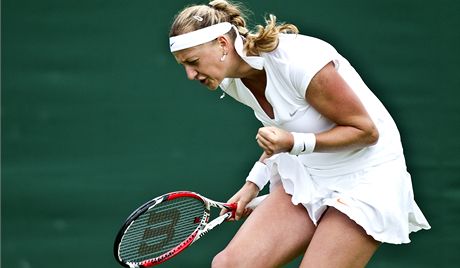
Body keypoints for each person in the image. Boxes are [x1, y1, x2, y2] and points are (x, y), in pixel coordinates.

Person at [169, 1, 431, 267]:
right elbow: (283, 136)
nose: (190, 74)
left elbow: (366, 131)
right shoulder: (233, 81)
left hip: (367, 177)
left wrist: (294, 142)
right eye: (184, 66)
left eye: (193, 62)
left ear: (223, 44)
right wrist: (252, 185)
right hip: (307, 175)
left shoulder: (297, 61)